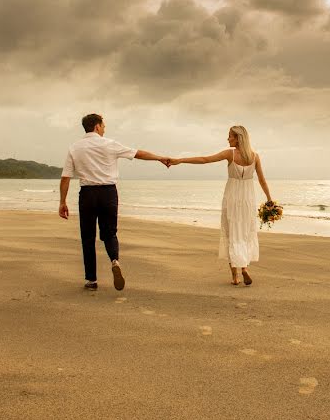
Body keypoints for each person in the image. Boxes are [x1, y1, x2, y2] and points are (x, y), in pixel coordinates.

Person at [59, 113, 168, 291]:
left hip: (87, 194)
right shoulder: (109, 144)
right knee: (109, 233)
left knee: (87, 237)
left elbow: (65, 177)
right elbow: (137, 153)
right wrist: (160, 158)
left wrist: (62, 202)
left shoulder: (74, 148)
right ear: (97, 126)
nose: (104, 129)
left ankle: (91, 280)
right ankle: (114, 260)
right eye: (103, 125)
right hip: (108, 193)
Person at [168, 125, 273, 286]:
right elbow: (262, 180)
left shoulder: (230, 154)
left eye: (230, 136)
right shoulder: (255, 156)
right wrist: (269, 199)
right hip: (247, 199)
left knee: (232, 233)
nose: (228, 138)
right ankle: (244, 268)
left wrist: (180, 160)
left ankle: (236, 277)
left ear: (237, 138)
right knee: (244, 234)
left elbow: (204, 160)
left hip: (231, 197)